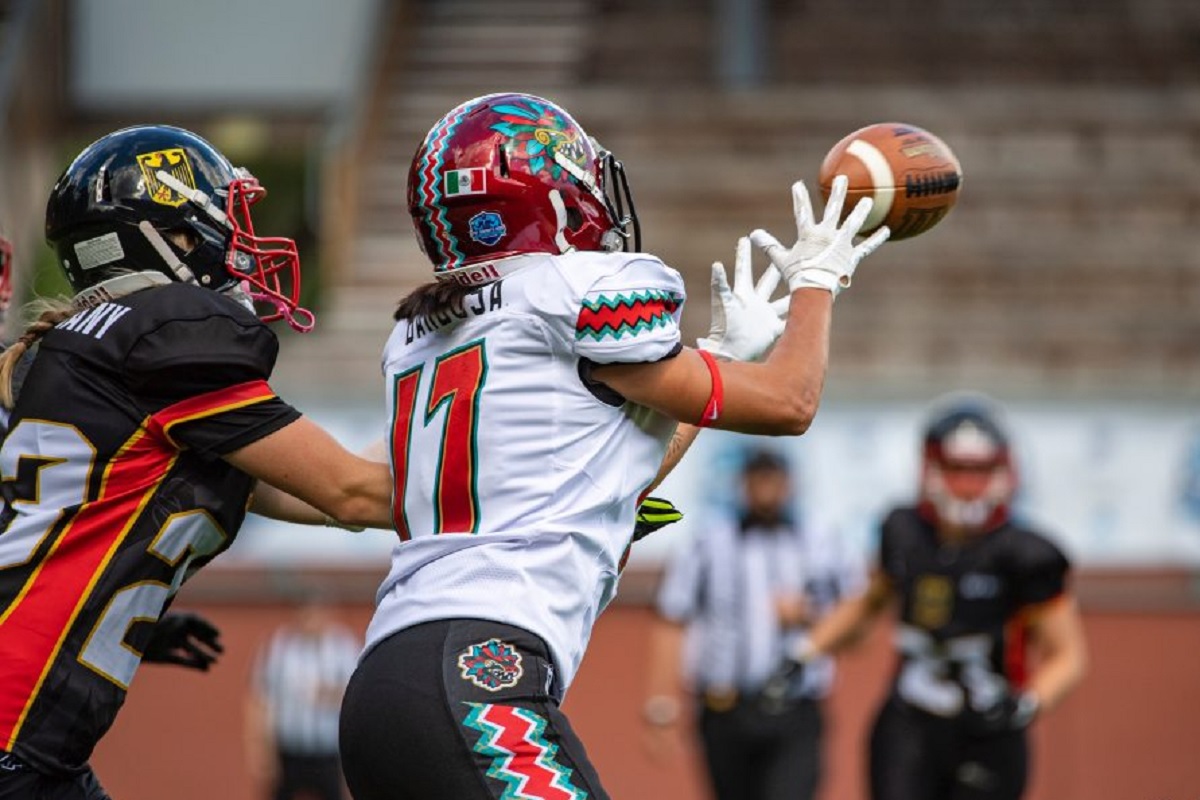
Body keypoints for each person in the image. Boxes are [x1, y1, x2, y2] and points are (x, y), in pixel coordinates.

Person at [337, 91, 890, 799]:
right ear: (556, 193)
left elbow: (614, 475)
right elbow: (789, 402)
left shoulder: (420, 335)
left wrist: (717, 355)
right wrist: (819, 279)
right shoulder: (573, 290)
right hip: (477, 673)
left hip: (385, 687)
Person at [0, 124, 395, 800]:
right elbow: (354, 494)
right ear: (169, 238)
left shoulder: (65, 356)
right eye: (223, 221)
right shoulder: (163, 339)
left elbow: (340, 499)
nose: (239, 244)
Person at [782, 394, 1088, 800]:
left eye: (981, 470)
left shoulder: (1026, 554)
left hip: (989, 729)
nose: (967, 485)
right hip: (910, 722)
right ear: (931, 468)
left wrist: (1028, 703)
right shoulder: (905, 533)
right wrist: (805, 650)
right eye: (957, 469)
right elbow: (869, 602)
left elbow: (1068, 654)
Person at [644, 448, 862, 800]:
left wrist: (811, 617)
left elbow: (858, 626)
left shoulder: (822, 542)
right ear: (741, 484)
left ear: (790, 484)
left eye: (773, 479)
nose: (766, 489)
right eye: (757, 479)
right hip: (725, 707)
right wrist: (660, 706)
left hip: (795, 709)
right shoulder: (708, 543)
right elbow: (673, 618)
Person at [246, 595, 360, 800]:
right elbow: (262, 699)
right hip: (289, 751)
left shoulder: (343, 647)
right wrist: (261, 748)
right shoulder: (279, 647)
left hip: (328, 752)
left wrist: (330, 693)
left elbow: (357, 695)